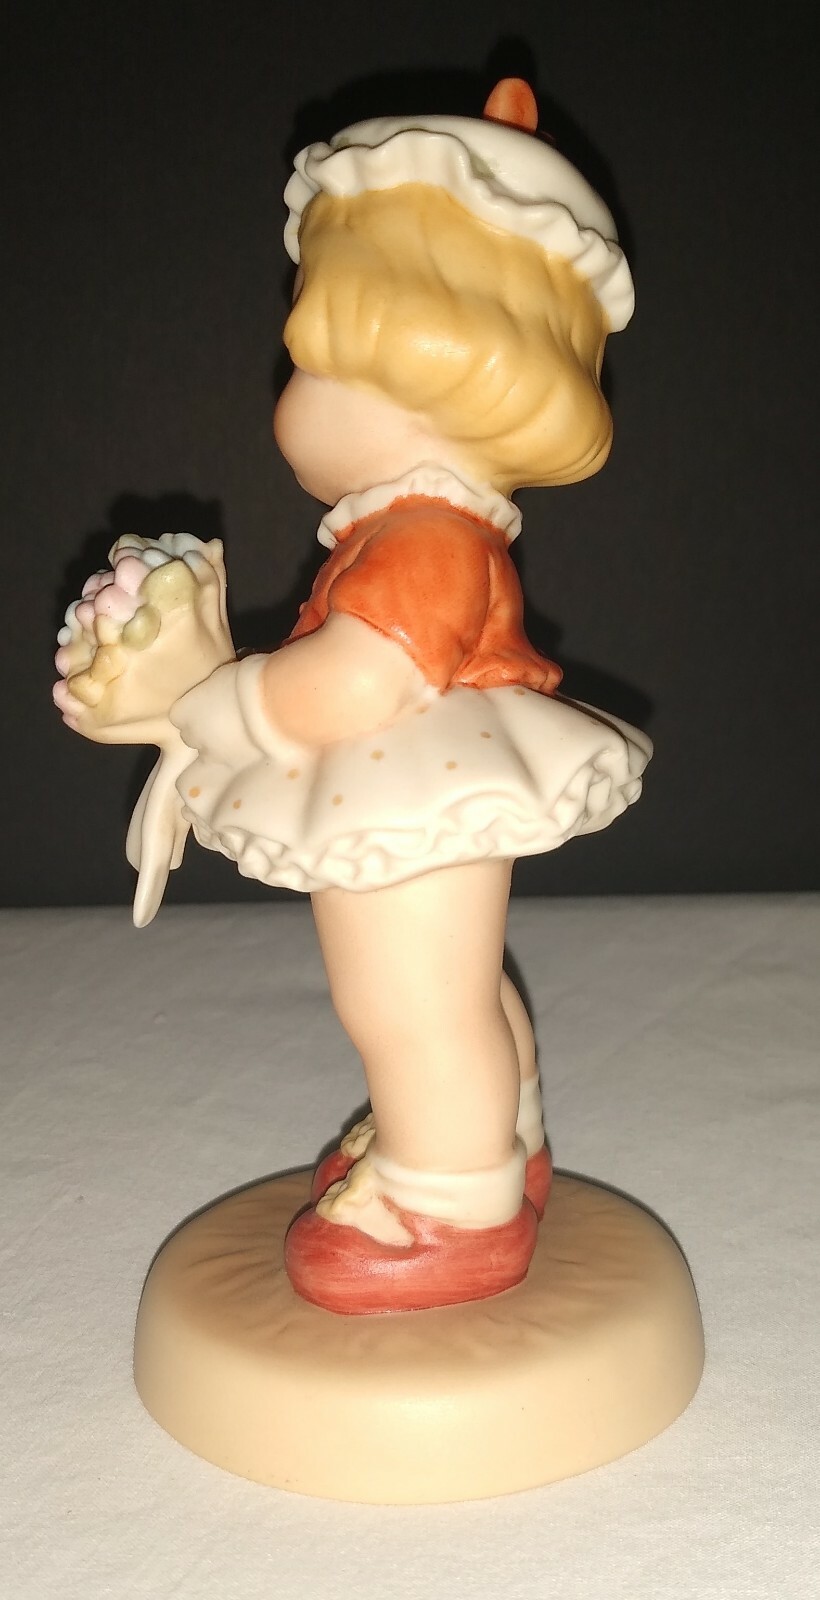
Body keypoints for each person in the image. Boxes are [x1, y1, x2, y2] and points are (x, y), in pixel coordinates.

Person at [54, 80, 650, 1315]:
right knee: (451, 984)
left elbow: (361, 677)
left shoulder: (425, 539)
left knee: (406, 998)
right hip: (418, 770)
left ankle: (452, 1198)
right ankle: (492, 1136)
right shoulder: (409, 525)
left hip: (406, 771)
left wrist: (225, 703)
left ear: (450, 383)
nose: (289, 397)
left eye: (315, 366)